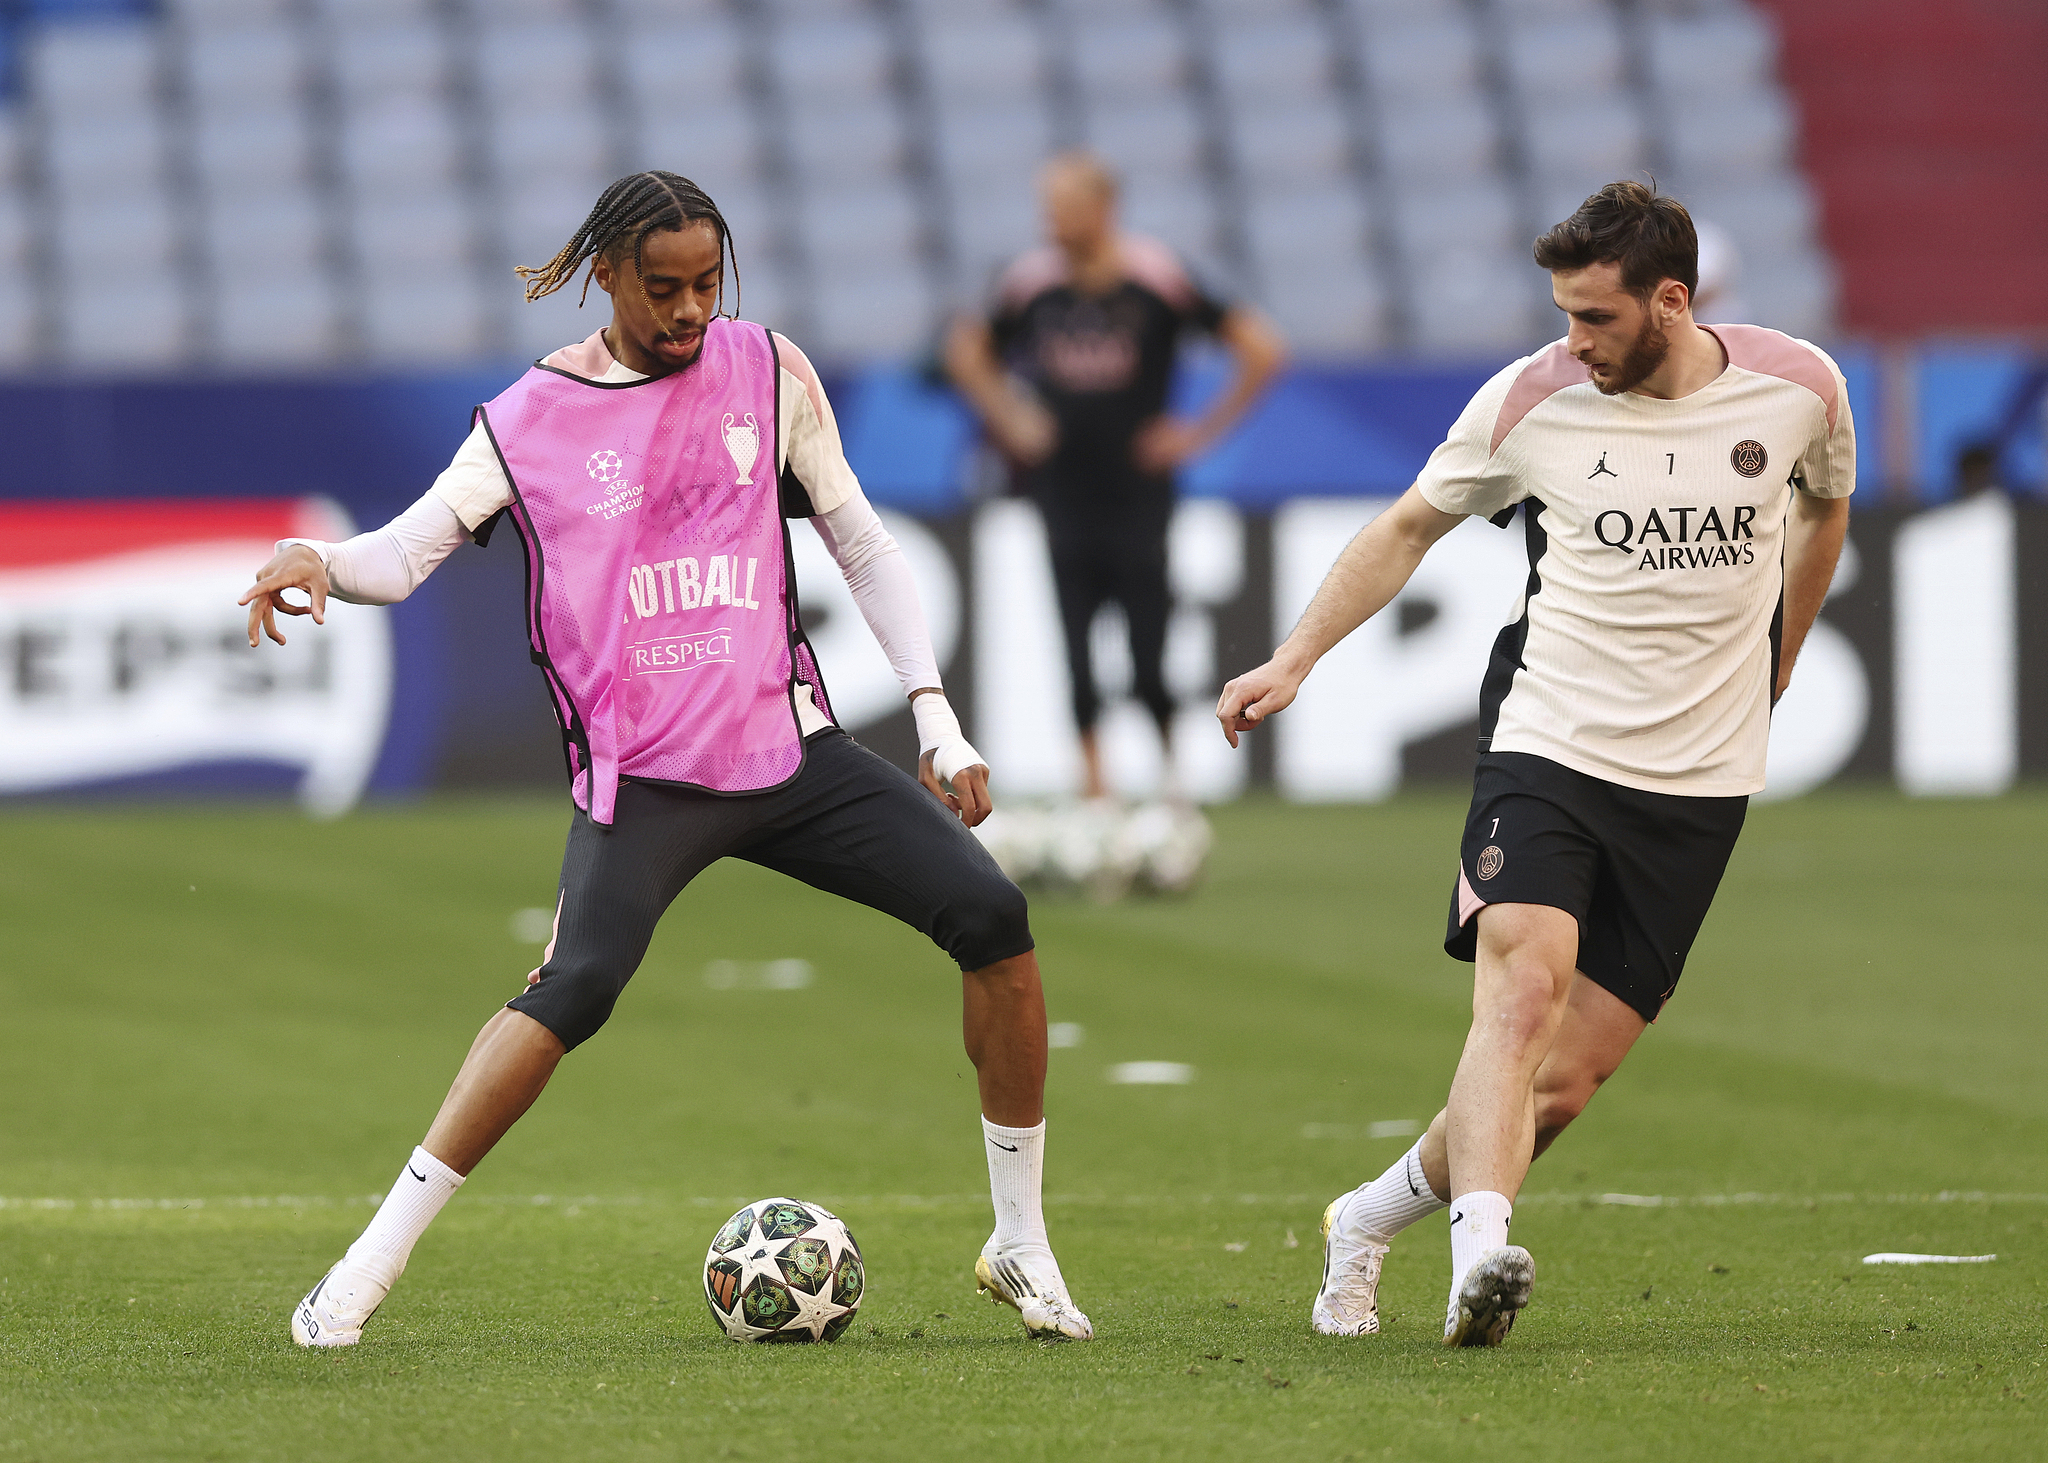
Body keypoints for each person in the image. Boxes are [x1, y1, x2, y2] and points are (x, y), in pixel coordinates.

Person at [241, 171, 1093, 1347]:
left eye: (706, 283)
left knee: (993, 916)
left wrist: (935, 713)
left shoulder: (767, 369)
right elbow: (402, 554)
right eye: (663, 288)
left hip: (786, 748)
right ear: (605, 275)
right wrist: (315, 560)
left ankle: (1019, 1240)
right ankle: (365, 1264)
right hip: (642, 778)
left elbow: (857, 538)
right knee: (572, 988)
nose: (691, 309)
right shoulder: (527, 422)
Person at [1216, 181, 1853, 1347]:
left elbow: (1822, 509)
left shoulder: (1799, 387)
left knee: (1557, 1086)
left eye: (1597, 318)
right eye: (1562, 315)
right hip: (1545, 743)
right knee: (1518, 992)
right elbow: (1407, 523)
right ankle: (1478, 1261)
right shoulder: (1529, 402)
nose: (1574, 341)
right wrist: (1292, 658)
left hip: (1700, 780)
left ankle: (1363, 1218)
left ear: (1671, 299)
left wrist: (1782, 654)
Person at [945, 151, 1285, 801]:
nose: (1052, 223)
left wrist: (1195, 433)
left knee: (1147, 635)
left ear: (1103, 209)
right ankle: (1094, 785)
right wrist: (1011, 415)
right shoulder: (1031, 282)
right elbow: (966, 351)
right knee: (1073, 637)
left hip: (1138, 491)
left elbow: (1262, 347)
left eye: (1064, 208)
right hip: (1061, 488)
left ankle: (1168, 778)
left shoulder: (1156, 276)